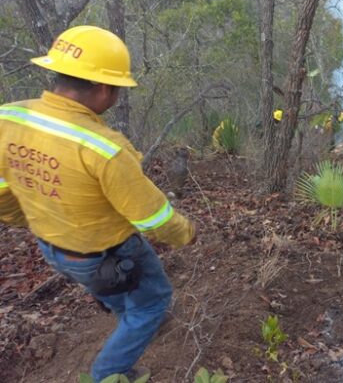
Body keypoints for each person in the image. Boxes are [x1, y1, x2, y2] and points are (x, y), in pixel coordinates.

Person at [0, 25, 196, 381]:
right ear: (104, 88)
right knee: (153, 301)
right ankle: (110, 372)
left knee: (114, 292)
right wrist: (186, 234)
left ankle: (131, 317)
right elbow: (153, 218)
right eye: (118, 88)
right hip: (107, 256)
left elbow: (3, 193)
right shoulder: (104, 148)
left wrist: (32, 218)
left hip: (53, 249)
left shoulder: (7, 118)